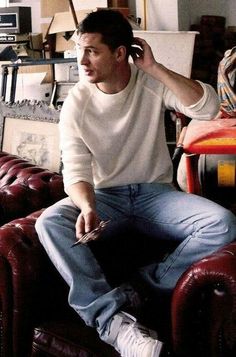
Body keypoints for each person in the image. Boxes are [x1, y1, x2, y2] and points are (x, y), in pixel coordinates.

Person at [35, 9, 236, 357]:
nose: (81, 60)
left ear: (119, 53)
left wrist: (156, 69)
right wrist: (86, 205)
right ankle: (112, 321)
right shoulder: (76, 104)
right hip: (105, 198)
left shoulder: (150, 82)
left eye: (92, 51)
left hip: (155, 196)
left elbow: (209, 108)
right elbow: (76, 169)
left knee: (223, 223)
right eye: (79, 50)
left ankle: (141, 289)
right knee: (49, 221)